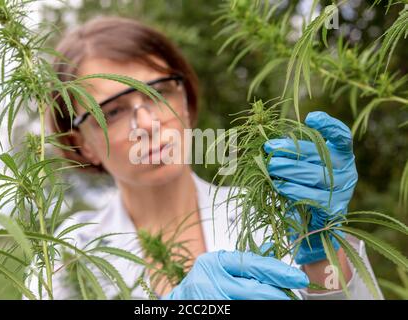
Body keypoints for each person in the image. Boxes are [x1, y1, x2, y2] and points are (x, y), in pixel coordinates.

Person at [25, 16, 382, 300]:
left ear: (187, 100)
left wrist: (322, 248)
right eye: (113, 111)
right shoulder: (65, 261)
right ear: (81, 142)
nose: (147, 123)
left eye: (159, 91)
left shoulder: (268, 214)